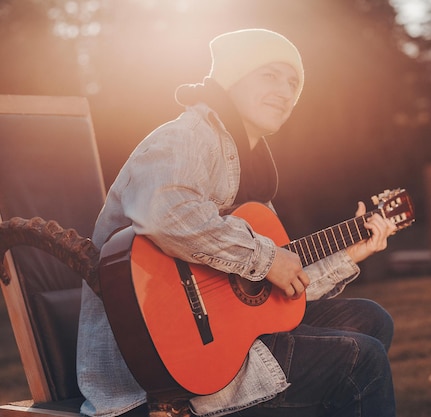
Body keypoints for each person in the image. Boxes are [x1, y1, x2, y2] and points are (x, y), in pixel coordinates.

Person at [76, 28, 398, 417]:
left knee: (370, 320)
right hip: (157, 369)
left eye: (293, 82)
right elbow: (167, 214)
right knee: (361, 360)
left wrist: (347, 254)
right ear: (231, 78)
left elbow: (275, 297)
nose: (285, 91)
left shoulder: (253, 176)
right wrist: (265, 259)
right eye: (269, 75)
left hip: (226, 346)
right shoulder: (186, 137)